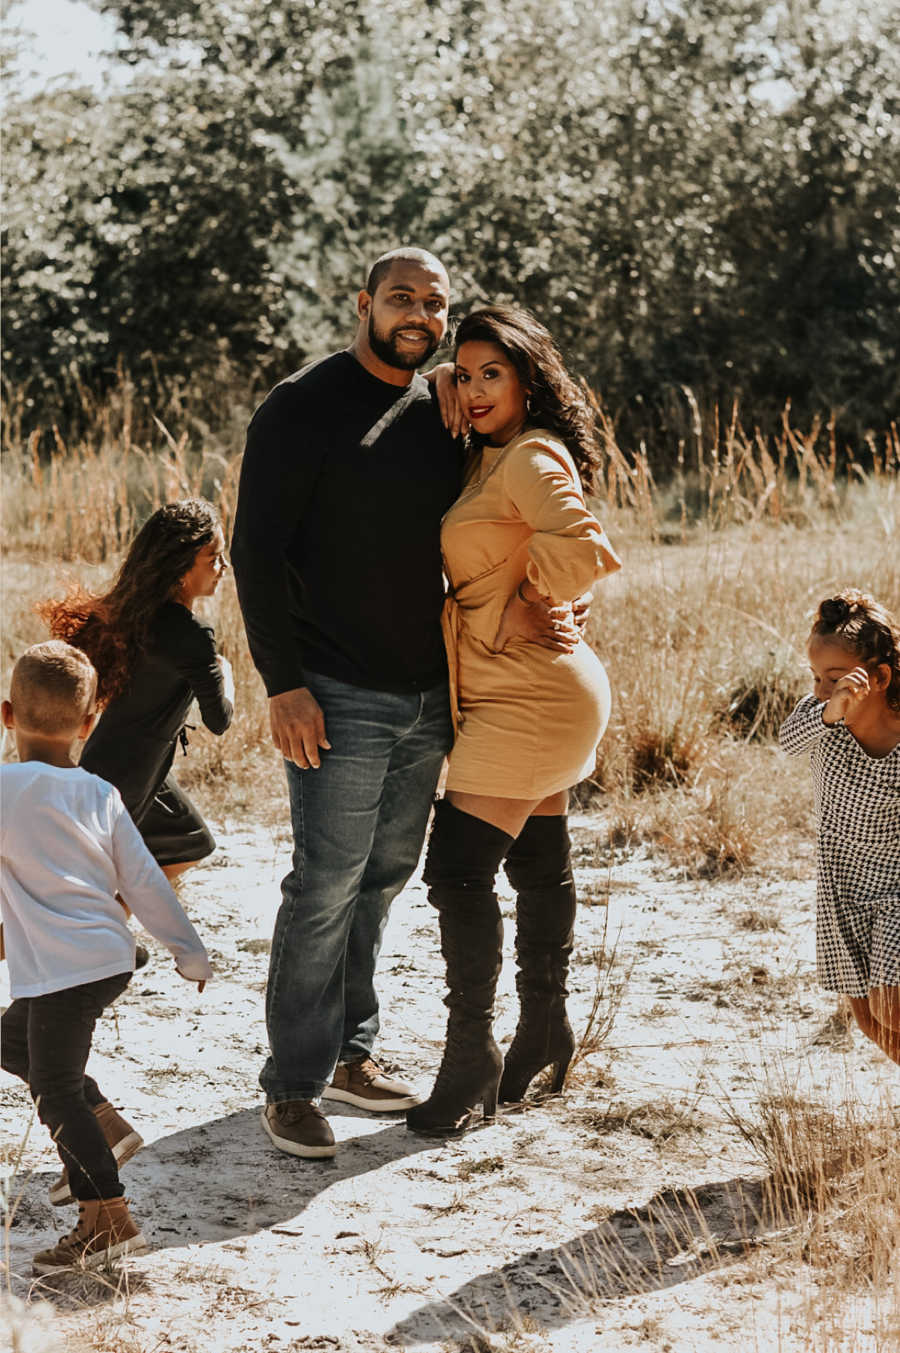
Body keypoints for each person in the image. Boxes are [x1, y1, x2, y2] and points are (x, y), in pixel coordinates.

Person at [230, 249, 567, 1159]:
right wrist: (283, 684)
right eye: (401, 298)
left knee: (379, 881)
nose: (419, 313)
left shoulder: (444, 410)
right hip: (334, 691)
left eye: (435, 302)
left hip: (431, 692)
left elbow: (507, 515)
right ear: (364, 303)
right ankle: (293, 1085)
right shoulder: (302, 405)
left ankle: (350, 1053)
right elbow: (254, 553)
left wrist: (549, 594)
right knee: (325, 882)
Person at [406, 305, 622, 1137]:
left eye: (492, 372)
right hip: (522, 688)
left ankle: (471, 1057)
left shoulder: (529, 453)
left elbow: (584, 544)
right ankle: (546, 1028)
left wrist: (534, 599)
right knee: (536, 854)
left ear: (528, 380)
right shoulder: (487, 455)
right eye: (466, 373)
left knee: (458, 868)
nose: (475, 387)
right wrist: (439, 387)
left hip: (531, 692)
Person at [0, 641, 213, 1274]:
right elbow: (145, 880)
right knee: (13, 1044)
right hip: (104, 959)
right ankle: (107, 1129)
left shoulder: (4, 789)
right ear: (89, 726)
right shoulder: (99, 794)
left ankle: (108, 1220)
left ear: (6, 714)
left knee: (55, 1089)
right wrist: (188, 952)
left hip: (67, 969)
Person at [39, 499, 234, 883]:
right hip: (129, 775)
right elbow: (220, 720)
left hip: (129, 765)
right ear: (181, 568)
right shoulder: (190, 636)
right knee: (70, 879)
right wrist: (225, 672)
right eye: (214, 558)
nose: (223, 568)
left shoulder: (139, 613)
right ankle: (97, 931)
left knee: (190, 842)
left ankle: (110, 926)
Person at [779, 590, 900, 1065]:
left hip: (894, 886)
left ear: (881, 676)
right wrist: (829, 710)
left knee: (891, 1005)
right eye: (815, 678)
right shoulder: (819, 719)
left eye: (836, 678)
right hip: (841, 886)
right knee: (871, 1023)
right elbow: (788, 744)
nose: (823, 689)